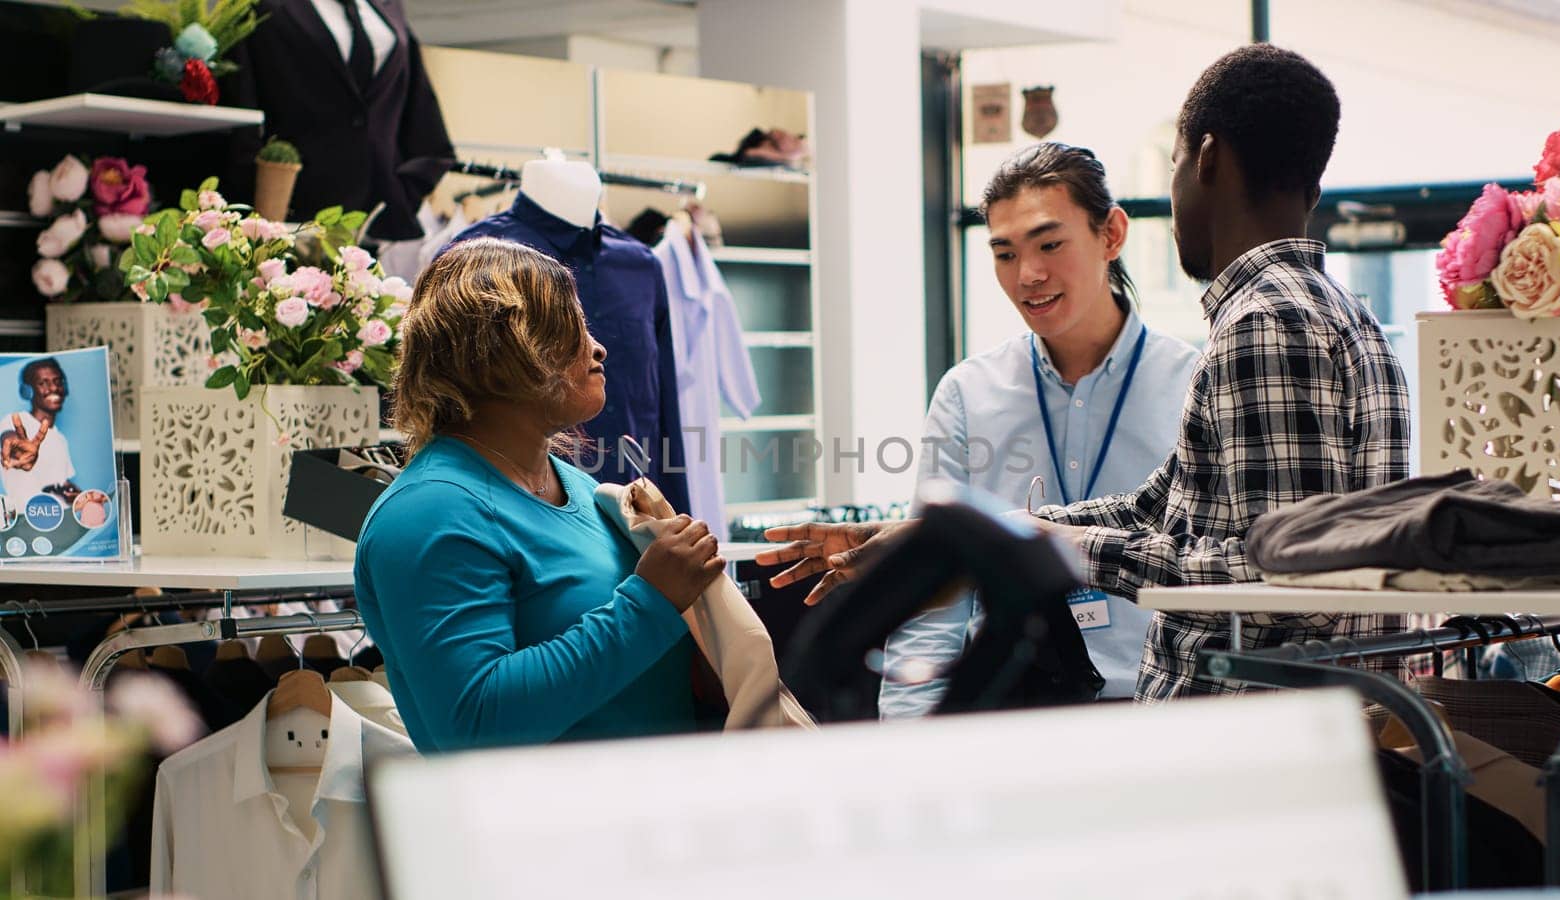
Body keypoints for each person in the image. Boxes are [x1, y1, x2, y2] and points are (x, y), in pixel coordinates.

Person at [759, 44, 1410, 702]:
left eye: (1177, 161)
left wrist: (1048, 546)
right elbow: (1158, 510)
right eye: (1006, 252)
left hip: (1251, 739)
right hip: (1289, 732)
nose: (1029, 274)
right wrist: (947, 541)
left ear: (1206, 160)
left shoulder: (1263, 325)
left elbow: (1283, 584)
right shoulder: (1344, 316)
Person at [354, 237, 725, 752]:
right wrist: (653, 600)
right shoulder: (428, 512)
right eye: (570, 326)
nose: (597, 347)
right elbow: (474, 724)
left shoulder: (579, 486)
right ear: (502, 348)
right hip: (533, 828)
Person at [879, 142, 1199, 716]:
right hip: (1008, 717)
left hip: (1158, 711)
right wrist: (908, 738)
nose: (1028, 275)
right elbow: (934, 601)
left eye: (1050, 244)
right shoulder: (967, 394)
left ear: (1112, 235)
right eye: (1004, 254)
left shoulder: (1194, 385)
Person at [1, 358, 80, 503]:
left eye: (58, 382)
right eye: (43, 383)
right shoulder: (14, 421)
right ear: (27, 391)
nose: (54, 388)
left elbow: (61, 484)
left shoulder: (60, 438)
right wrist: (20, 452)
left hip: (61, 521)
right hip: (26, 520)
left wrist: (80, 496)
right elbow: (10, 440)